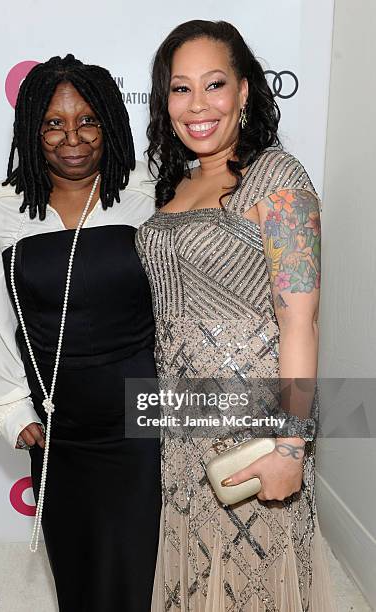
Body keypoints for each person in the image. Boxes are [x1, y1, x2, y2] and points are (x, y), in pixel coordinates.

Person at [136, 20, 337, 611]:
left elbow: (301, 322)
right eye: (180, 88)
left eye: (214, 84)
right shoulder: (175, 185)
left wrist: (290, 447)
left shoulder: (276, 177)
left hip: (255, 427)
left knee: (256, 582)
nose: (197, 105)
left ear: (244, 91)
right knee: (194, 578)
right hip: (182, 424)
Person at [0, 54, 161, 612]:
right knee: (76, 572)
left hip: (141, 420)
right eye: (54, 123)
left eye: (87, 121)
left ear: (110, 124)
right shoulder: (5, 209)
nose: (71, 137)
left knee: (135, 571)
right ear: (32, 129)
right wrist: (11, 409)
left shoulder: (146, 196)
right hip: (59, 423)